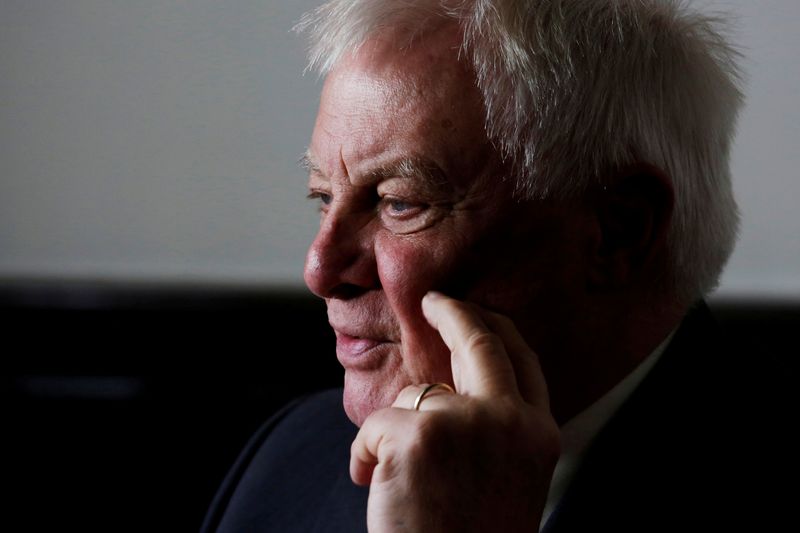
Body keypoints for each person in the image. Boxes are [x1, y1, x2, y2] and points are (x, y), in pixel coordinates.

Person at [202, 0, 792, 531]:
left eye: (399, 202)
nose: (321, 269)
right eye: (324, 197)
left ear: (617, 234)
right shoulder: (291, 457)